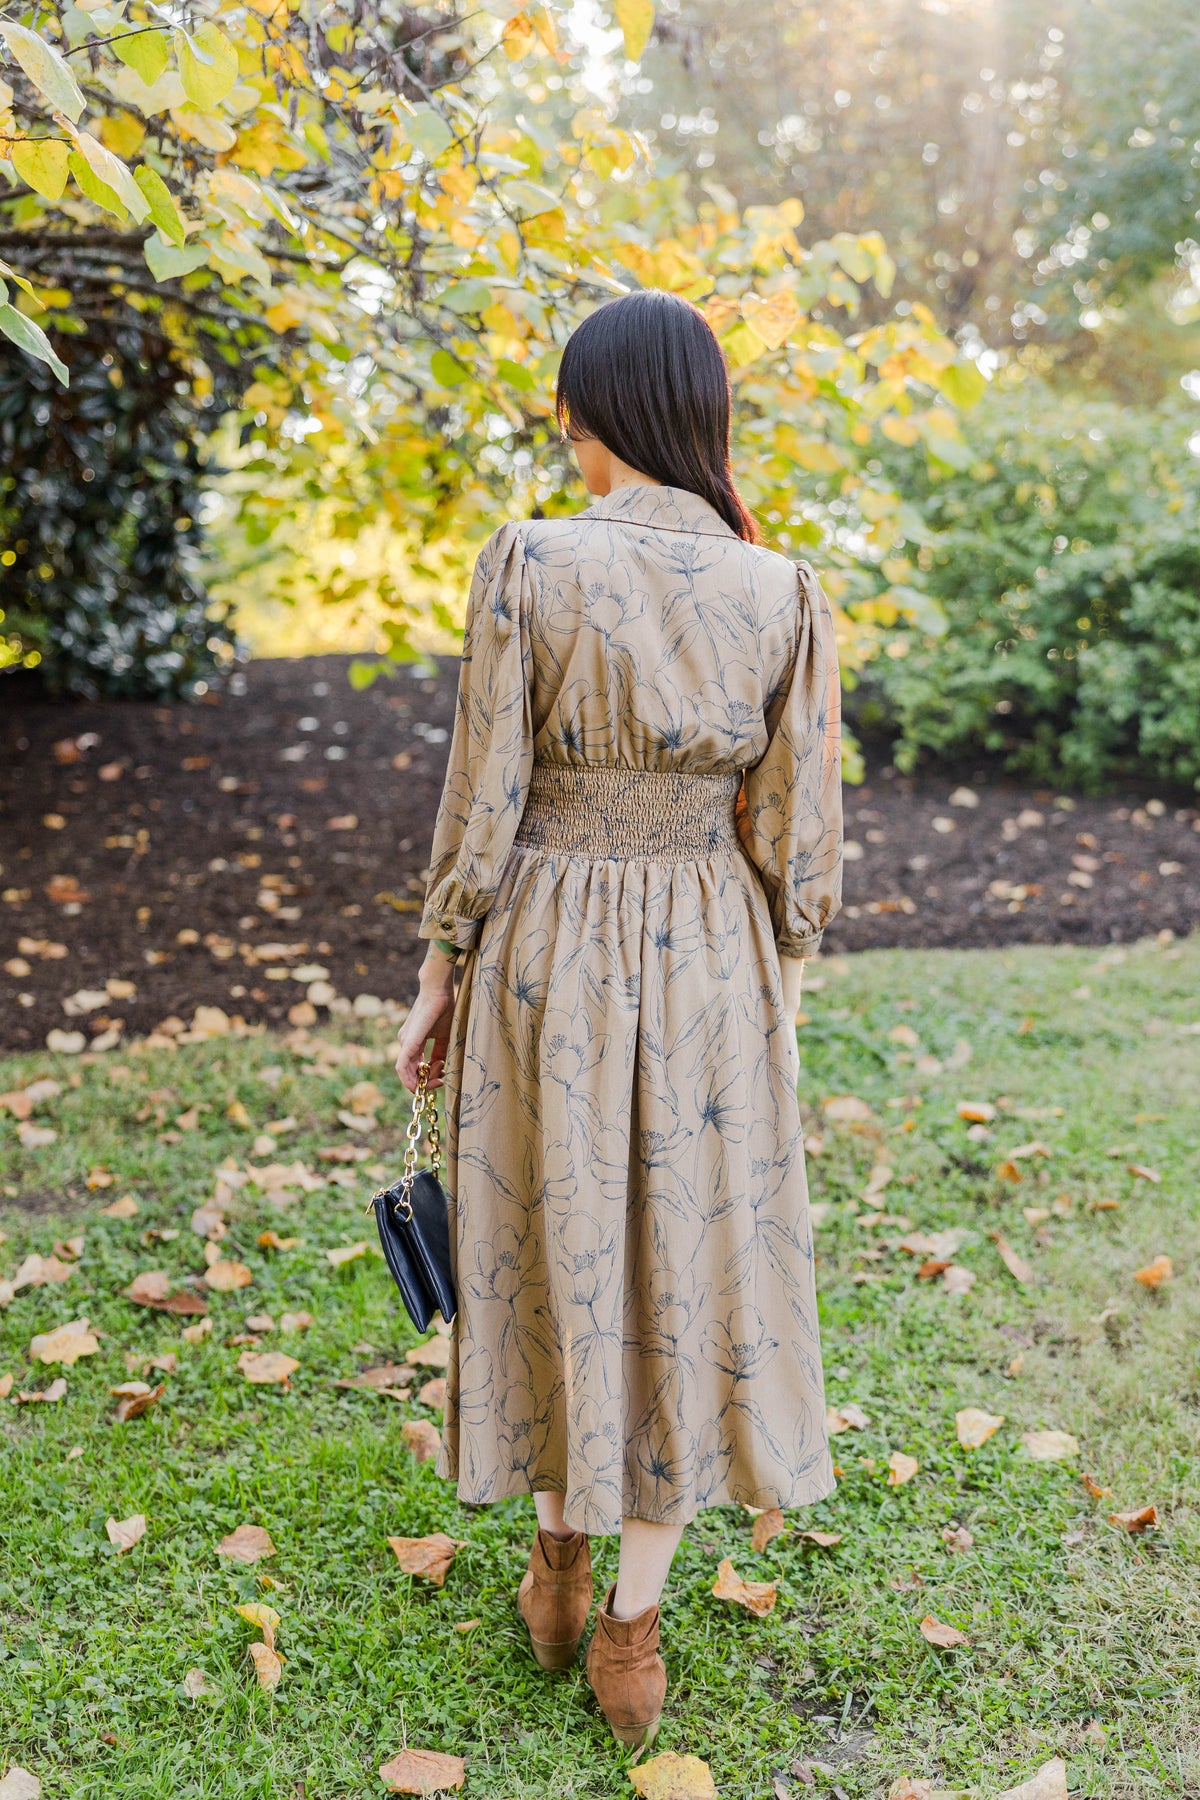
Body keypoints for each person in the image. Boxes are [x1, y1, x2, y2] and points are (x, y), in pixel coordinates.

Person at [395, 287, 843, 1748]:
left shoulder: (530, 560)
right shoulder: (783, 593)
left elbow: (485, 796)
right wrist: (776, 981)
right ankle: (632, 1633)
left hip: (549, 941)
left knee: (549, 1233)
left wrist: (439, 970)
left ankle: (557, 1553)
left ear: (595, 413)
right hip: (713, 946)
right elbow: (798, 838)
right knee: (685, 1263)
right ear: (703, 418)